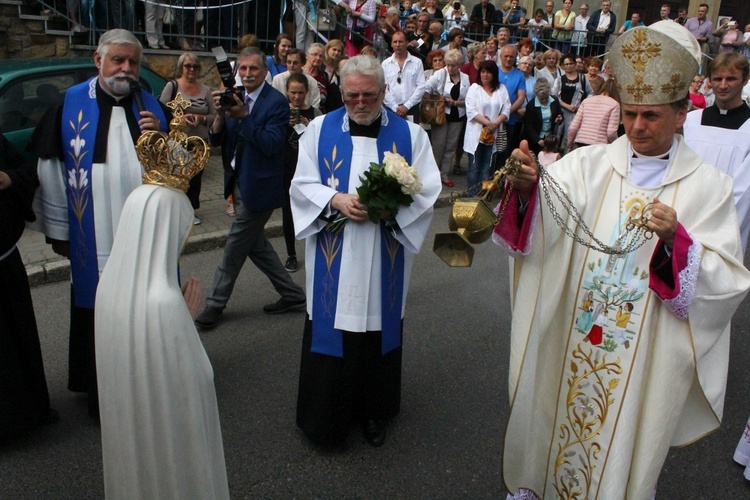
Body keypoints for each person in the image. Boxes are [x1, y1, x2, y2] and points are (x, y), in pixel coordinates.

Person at [494, 21, 750, 499]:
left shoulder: (709, 186)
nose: (637, 127)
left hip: (645, 347)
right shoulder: (586, 165)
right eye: (630, 114)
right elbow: (543, 221)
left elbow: (726, 280)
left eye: (651, 116)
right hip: (575, 331)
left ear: (680, 114)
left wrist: (679, 241)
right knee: (554, 420)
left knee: (621, 447)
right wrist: (528, 189)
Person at [290, 54, 441, 447]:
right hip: (333, 249)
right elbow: (300, 184)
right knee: (331, 328)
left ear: (384, 91)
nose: (361, 102)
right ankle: (325, 420)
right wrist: (335, 199)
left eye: (369, 95)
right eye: (352, 94)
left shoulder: (411, 135)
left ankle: (374, 412)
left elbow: (428, 189)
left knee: (376, 332)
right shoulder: (319, 130)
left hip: (383, 250)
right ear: (341, 91)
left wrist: (393, 210)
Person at [29, 29, 168, 419]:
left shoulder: (153, 107)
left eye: (133, 62)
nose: (125, 69)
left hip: (143, 232)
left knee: (144, 304)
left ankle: (146, 383)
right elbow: (51, 169)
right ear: (98, 60)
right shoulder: (70, 105)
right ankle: (101, 391)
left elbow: (176, 174)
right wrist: (60, 232)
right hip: (94, 233)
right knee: (99, 309)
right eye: (118, 60)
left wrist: (161, 140)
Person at [95, 172, 230, 498]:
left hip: (129, 433)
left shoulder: (108, 287)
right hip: (167, 451)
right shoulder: (164, 301)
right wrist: (185, 319)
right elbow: (197, 381)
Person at [194, 47, 307, 330]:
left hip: (262, 188)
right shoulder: (236, 97)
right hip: (237, 182)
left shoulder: (277, 103)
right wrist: (220, 114)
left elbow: (271, 145)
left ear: (265, 71)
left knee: (235, 245)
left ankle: (215, 304)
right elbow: (218, 140)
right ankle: (293, 295)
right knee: (256, 246)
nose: (247, 74)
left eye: (253, 69)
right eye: (242, 69)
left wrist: (245, 116)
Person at [0, 133, 57, 441]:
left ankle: (33, 409)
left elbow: (26, 170)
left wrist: (9, 178)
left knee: (19, 335)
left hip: (5, 263)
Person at [684, 52, 750, 252]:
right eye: (717, 79)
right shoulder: (691, 121)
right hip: (684, 215)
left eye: (731, 79)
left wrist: (716, 227)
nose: (723, 85)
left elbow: (744, 190)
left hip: (725, 225)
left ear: (745, 79)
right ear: (709, 81)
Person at [160, 52, 217, 225]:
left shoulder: (206, 90)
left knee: (195, 178)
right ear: (181, 67)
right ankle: (174, 211)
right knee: (177, 177)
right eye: (188, 66)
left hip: (199, 142)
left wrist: (201, 119)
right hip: (178, 141)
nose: (192, 69)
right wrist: (179, 119)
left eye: (195, 66)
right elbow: (161, 112)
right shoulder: (172, 86)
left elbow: (214, 115)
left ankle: (191, 211)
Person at [283, 73, 321, 273]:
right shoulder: (281, 112)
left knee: (312, 211)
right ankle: (291, 254)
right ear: (287, 92)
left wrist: (310, 126)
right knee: (288, 212)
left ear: (307, 92)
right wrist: (284, 125)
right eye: (293, 92)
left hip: (309, 170)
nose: (296, 97)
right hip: (287, 168)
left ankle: (314, 250)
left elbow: (322, 142)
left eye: (300, 92)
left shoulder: (315, 113)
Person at [463, 60, 510, 196]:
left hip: (493, 135)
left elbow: (506, 109)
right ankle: (471, 196)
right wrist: (487, 123)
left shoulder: (501, 89)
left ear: (494, 74)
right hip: (476, 134)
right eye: (483, 72)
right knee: (474, 167)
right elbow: (471, 111)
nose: (485, 75)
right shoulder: (474, 88)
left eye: (488, 72)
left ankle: (482, 197)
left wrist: (495, 124)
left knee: (486, 168)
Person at [425, 48, 469, 187]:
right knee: (438, 146)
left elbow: (468, 98)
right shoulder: (440, 74)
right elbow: (425, 88)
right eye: (448, 64)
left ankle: (444, 174)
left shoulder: (465, 77)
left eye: (453, 65)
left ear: (459, 65)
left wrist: (456, 103)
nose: (450, 68)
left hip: (458, 115)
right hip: (441, 115)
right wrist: (438, 99)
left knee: (451, 146)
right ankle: (432, 174)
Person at [552, 52, 594, 153]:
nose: (569, 66)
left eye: (571, 63)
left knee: (571, 136)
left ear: (575, 64)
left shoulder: (583, 79)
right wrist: (567, 106)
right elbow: (554, 96)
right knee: (556, 135)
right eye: (566, 64)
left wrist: (582, 105)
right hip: (561, 111)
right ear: (562, 66)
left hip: (577, 113)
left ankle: (568, 156)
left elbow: (591, 93)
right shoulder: (559, 80)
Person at [566, 77, 620, 151]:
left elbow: (573, 127)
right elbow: (611, 132)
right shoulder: (614, 104)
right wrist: (616, 145)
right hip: (600, 145)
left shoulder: (587, 101)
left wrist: (570, 145)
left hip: (581, 141)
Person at [382, 30, 426, 120]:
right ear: (391, 44)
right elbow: (384, 89)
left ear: (407, 43)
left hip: (412, 108)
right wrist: (395, 108)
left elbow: (421, 86)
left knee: (411, 134)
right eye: (395, 42)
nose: (397, 45)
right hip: (391, 109)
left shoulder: (417, 62)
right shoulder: (385, 64)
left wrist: (406, 106)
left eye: (400, 41)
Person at [497, 45, 527, 154]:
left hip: (509, 119)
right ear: (500, 56)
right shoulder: (493, 71)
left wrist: (506, 113)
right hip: (492, 117)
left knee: (504, 150)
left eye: (511, 56)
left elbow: (521, 98)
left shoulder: (519, 75)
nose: (508, 59)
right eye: (506, 56)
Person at [523, 78, 563, 155]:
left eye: (546, 98)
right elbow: (528, 126)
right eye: (541, 99)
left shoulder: (554, 100)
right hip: (536, 139)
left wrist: (560, 118)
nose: (544, 100)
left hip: (550, 138)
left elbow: (560, 114)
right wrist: (538, 140)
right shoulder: (531, 105)